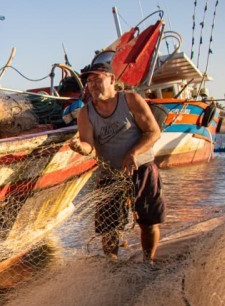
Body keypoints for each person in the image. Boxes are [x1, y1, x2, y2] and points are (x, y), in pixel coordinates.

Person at [68, 62, 165, 263]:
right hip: (110, 173)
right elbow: (89, 146)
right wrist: (80, 147)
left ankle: (149, 261)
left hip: (142, 168)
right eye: (89, 81)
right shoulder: (86, 113)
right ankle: (112, 267)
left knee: (148, 222)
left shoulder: (130, 100)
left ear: (112, 79)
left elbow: (153, 132)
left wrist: (133, 153)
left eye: (98, 79)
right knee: (109, 226)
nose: (93, 85)